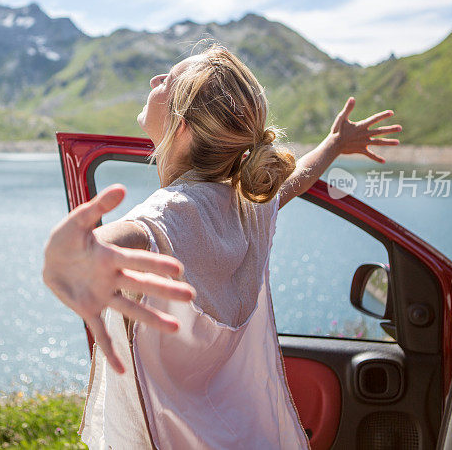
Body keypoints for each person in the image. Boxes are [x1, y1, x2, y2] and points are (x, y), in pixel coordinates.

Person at [43, 43, 401, 448]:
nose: (153, 80)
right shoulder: (246, 203)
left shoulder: (176, 211)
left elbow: (125, 236)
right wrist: (333, 144)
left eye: (168, 79)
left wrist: (69, 256)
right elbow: (294, 181)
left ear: (182, 125)